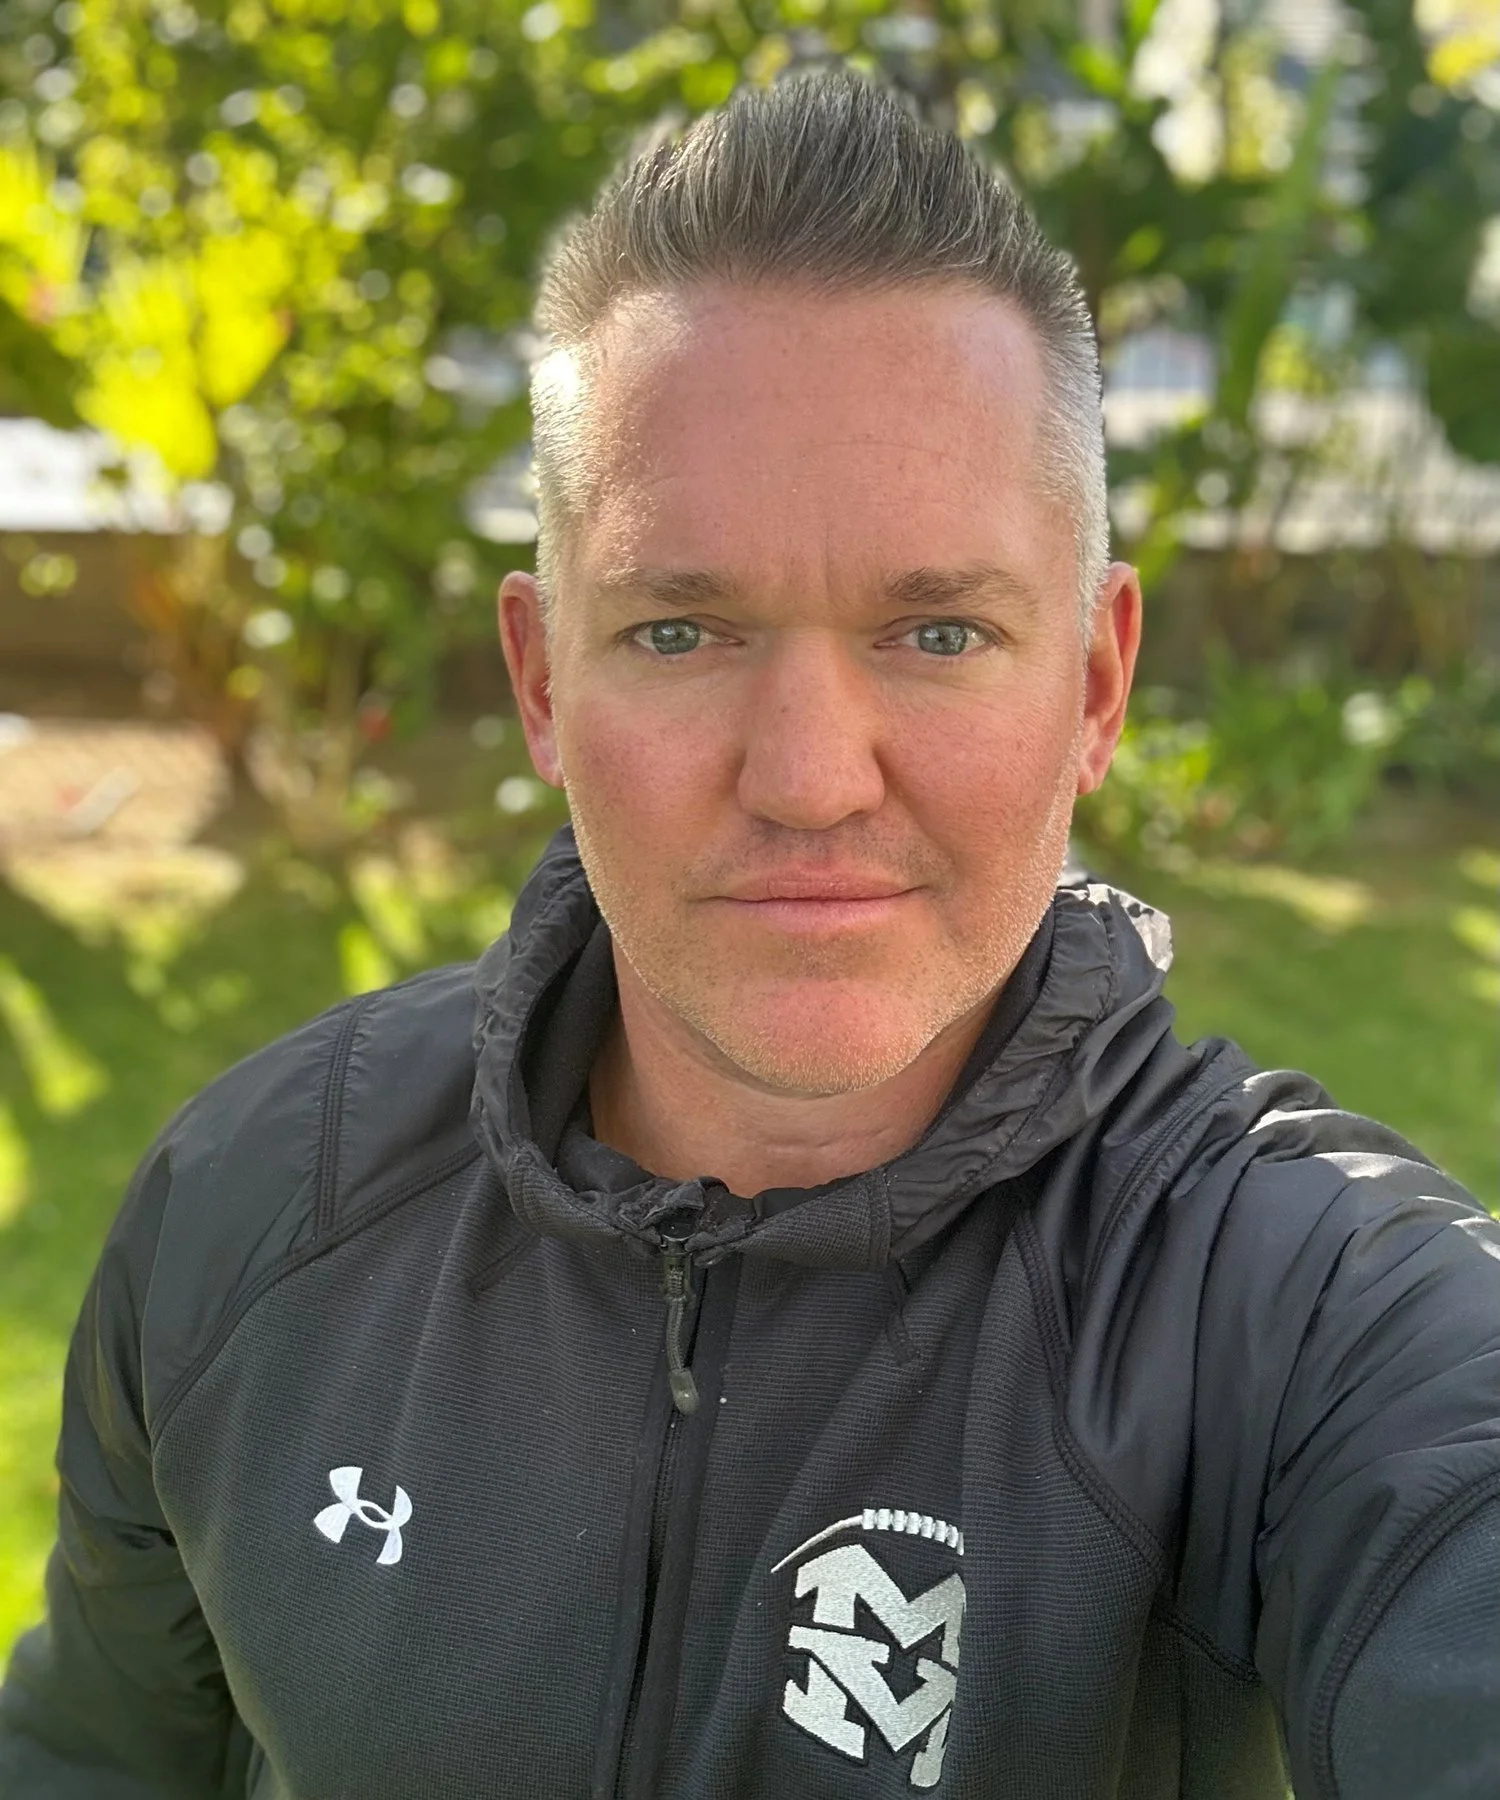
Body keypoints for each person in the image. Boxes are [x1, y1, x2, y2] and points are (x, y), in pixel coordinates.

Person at [2, 69, 1497, 1800]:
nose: (807, 779)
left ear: (1096, 685)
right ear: (542, 681)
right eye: (680, 632)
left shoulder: (1300, 1314)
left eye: (938, 633)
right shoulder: (256, 1206)